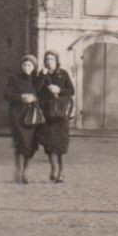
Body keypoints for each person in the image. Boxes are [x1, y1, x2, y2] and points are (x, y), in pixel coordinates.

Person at [35, 51, 75, 183]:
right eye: (46, 59)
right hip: (47, 113)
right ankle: (53, 168)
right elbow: (36, 91)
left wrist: (59, 90)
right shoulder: (41, 74)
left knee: (61, 144)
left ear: (56, 60)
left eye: (51, 59)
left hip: (60, 114)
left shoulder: (62, 74)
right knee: (48, 143)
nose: (48, 61)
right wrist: (42, 77)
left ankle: (61, 172)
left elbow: (71, 90)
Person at [5, 55, 44, 184]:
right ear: (21, 66)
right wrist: (21, 97)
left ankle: (25, 172)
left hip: (32, 116)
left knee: (30, 146)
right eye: (24, 65)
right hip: (17, 116)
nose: (26, 67)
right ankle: (19, 172)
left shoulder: (36, 79)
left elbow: (41, 94)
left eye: (29, 65)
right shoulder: (14, 78)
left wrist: (35, 99)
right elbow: (6, 94)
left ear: (34, 67)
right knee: (20, 143)